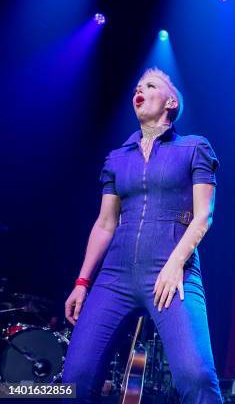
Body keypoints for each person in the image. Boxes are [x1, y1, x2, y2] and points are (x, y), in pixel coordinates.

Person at [63, 68, 222, 403]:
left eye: (151, 86)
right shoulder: (118, 158)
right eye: (137, 86)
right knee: (75, 378)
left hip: (172, 272)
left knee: (196, 376)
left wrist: (174, 264)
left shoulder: (194, 148)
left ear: (171, 101)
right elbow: (105, 223)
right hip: (115, 276)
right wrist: (82, 281)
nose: (140, 90)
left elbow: (203, 215)